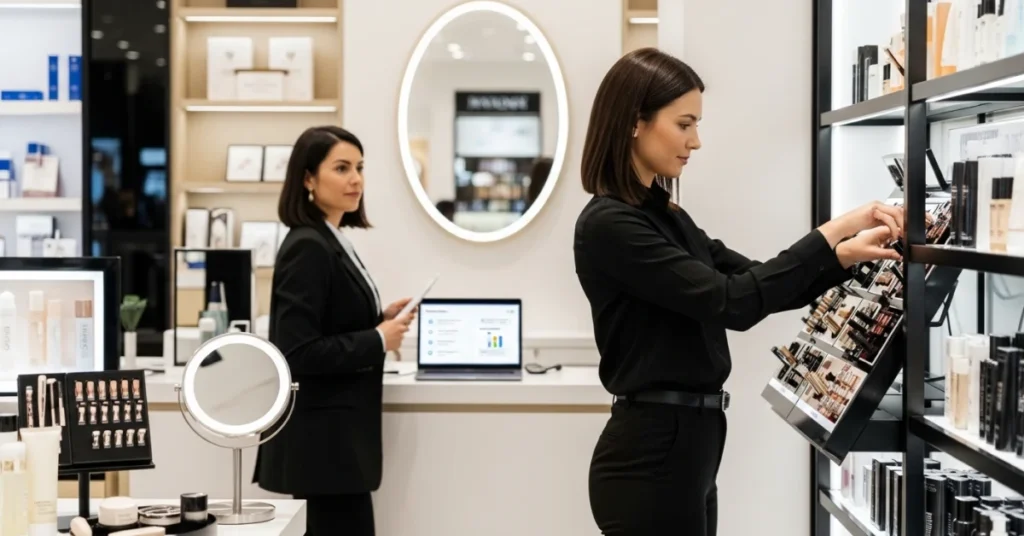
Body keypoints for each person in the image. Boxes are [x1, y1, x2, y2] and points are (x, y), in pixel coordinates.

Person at [574, 47, 905, 536]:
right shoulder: (611, 225)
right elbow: (735, 302)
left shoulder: (665, 216)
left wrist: (845, 254)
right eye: (684, 124)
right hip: (651, 456)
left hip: (689, 445)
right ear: (634, 122)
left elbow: (755, 281)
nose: (696, 141)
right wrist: (837, 228)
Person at [254, 125, 415, 536]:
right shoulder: (308, 245)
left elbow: (327, 320)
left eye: (359, 167)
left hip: (337, 446)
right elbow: (297, 351)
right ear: (308, 178)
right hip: (322, 447)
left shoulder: (330, 238)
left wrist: (379, 317)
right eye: (341, 168)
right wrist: (378, 338)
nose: (356, 179)